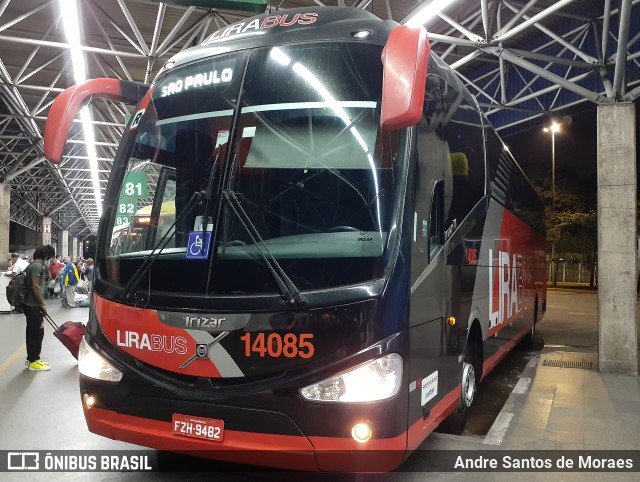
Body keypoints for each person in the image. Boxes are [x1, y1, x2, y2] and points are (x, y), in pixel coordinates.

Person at [23, 244, 56, 371]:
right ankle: (34, 360)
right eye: (50, 257)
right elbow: (35, 287)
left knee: (32, 332)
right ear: (46, 256)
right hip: (34, 305)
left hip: (30, 304)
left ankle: (31, 359)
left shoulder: (32, 265)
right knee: (37, 333)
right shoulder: (37, 266)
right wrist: (42, 303)